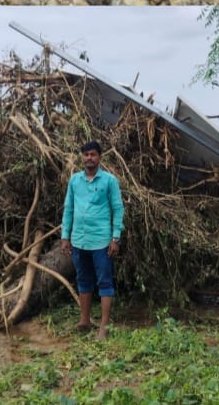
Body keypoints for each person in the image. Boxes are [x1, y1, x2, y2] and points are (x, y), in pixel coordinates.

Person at [61, 140, 124, 339]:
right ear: (82, 157)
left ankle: (103, 327)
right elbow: (68, 209)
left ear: (99, 157)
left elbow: (118, 209)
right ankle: (85, 320)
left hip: (101, 242)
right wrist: (65, 236)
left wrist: (115, 238)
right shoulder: (74, 181)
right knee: (83, 280)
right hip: (79, 241)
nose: (89, 158)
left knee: (104, 282)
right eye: (86, 154)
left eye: (93, 154)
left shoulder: (109, 181)